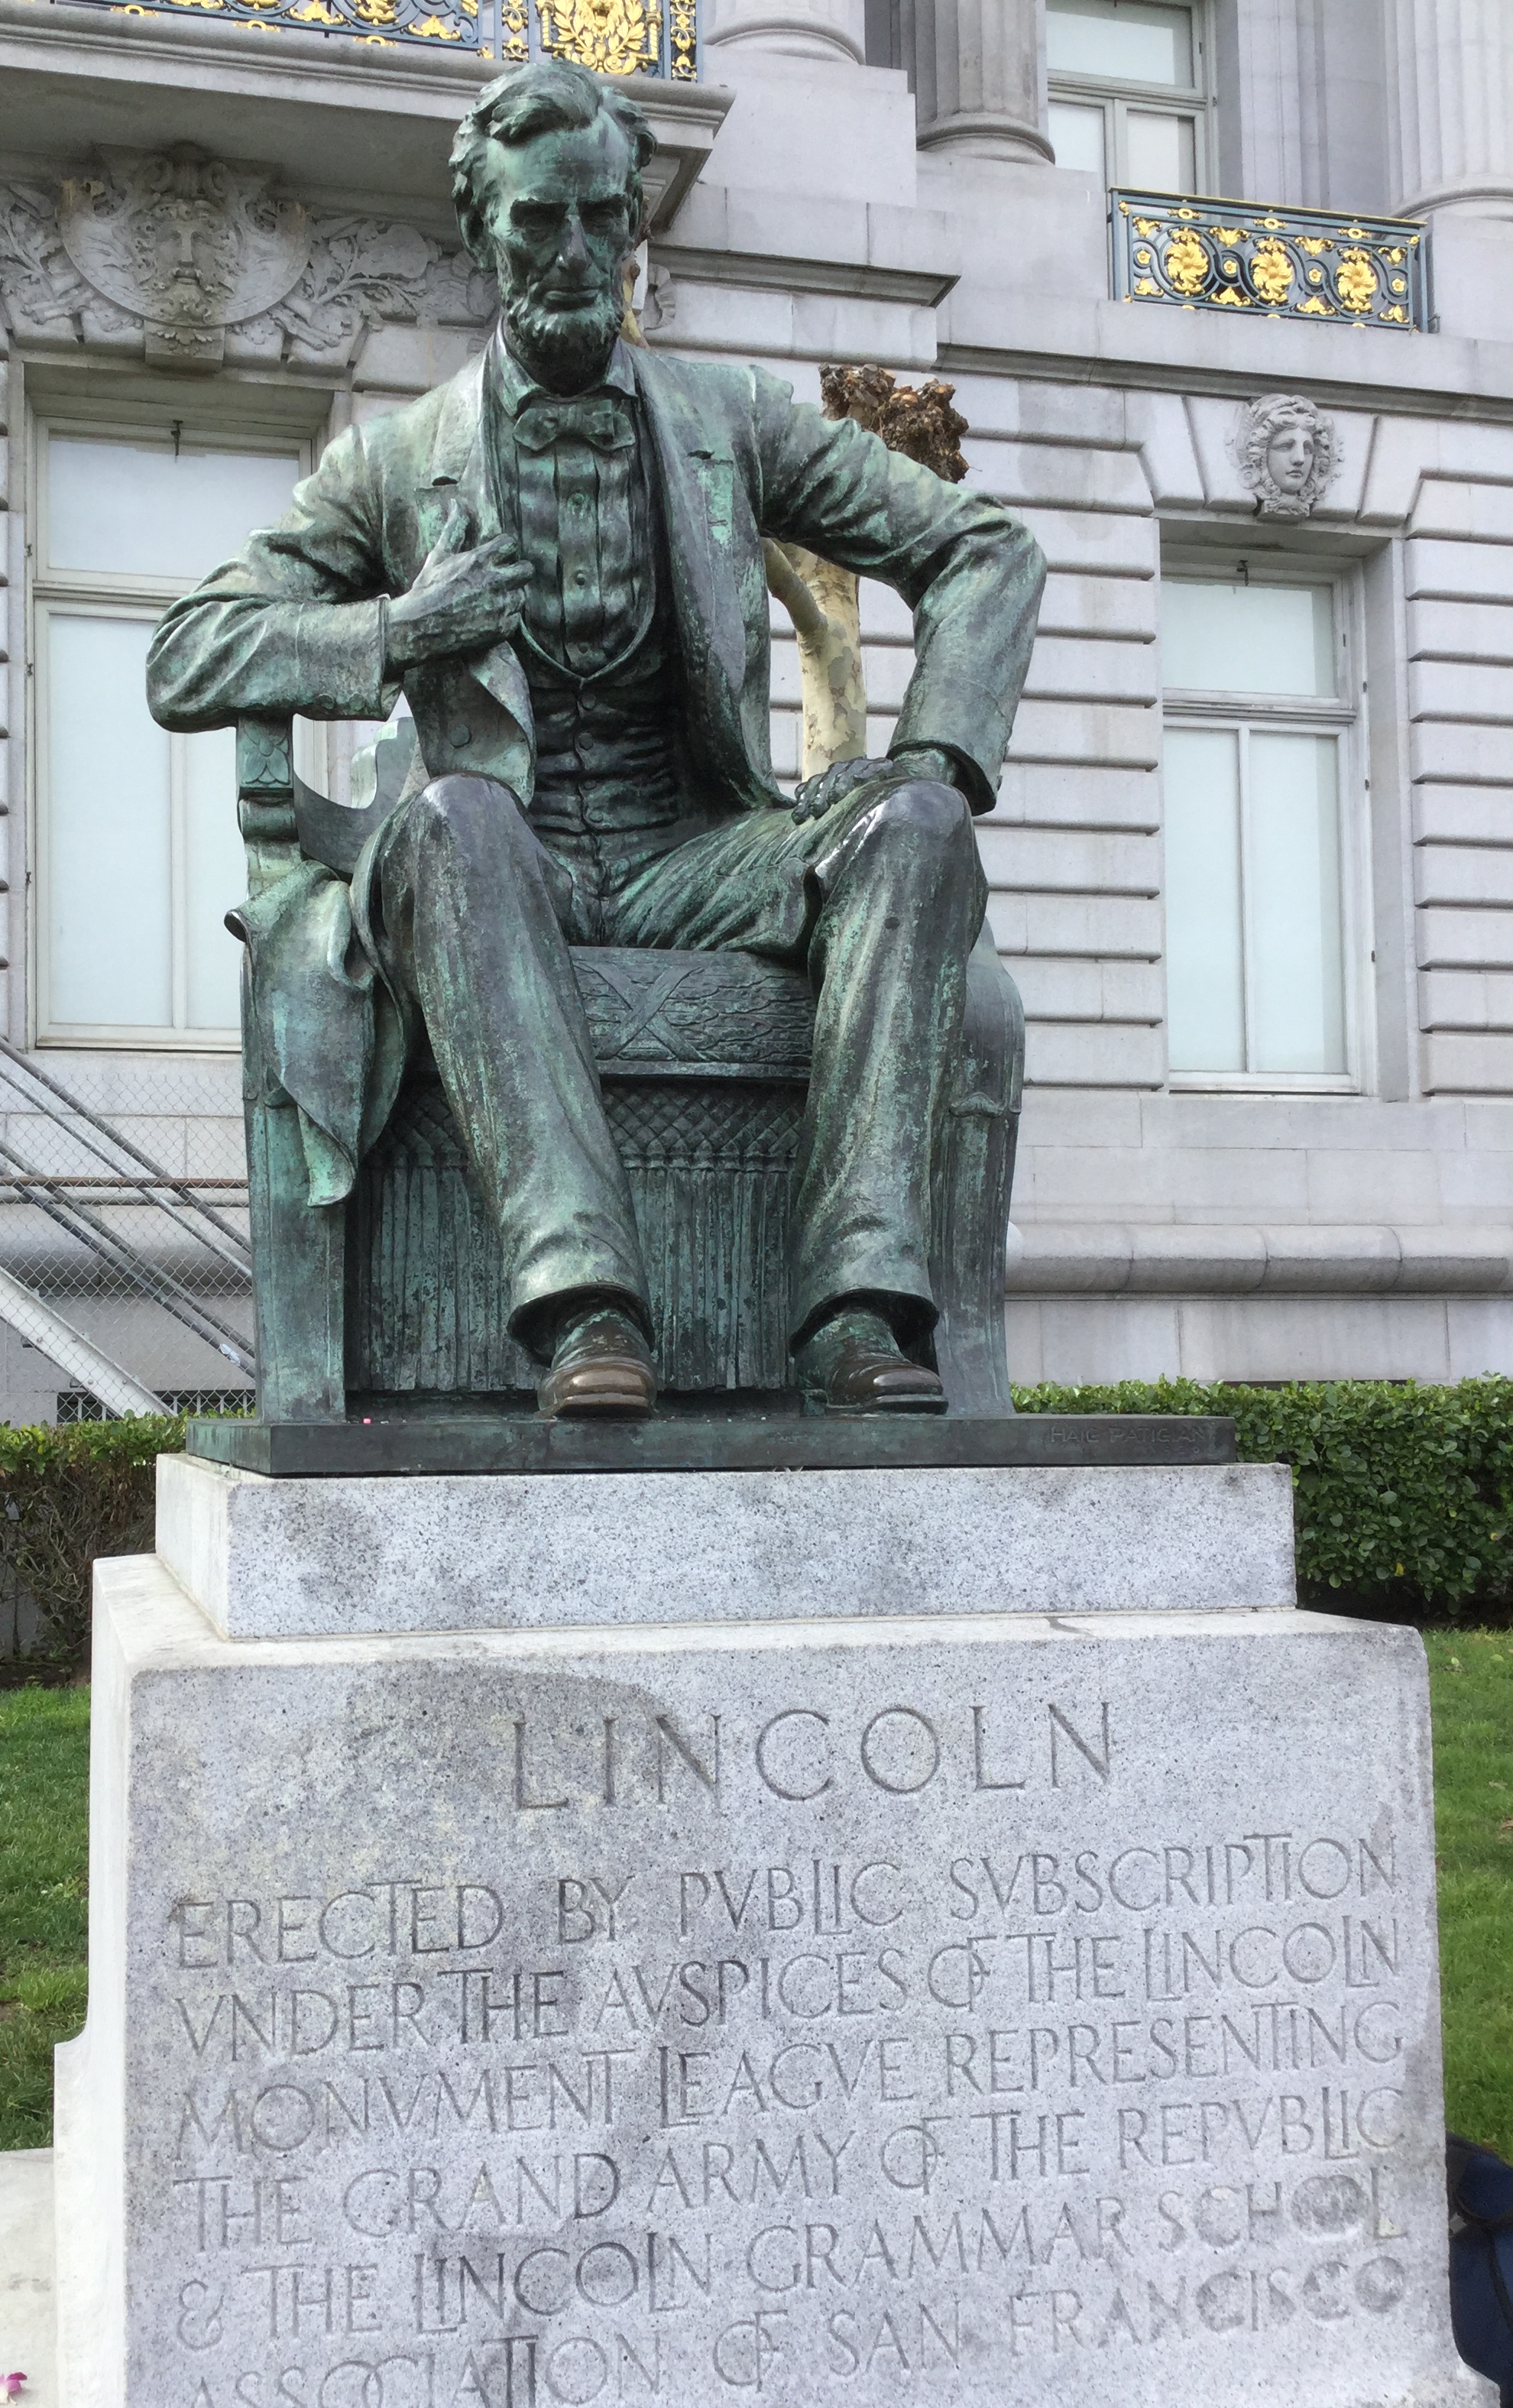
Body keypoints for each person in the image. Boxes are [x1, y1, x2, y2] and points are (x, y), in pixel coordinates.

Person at [149, 62, 1044, 1420]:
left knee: (916, 832)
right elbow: (187, 651)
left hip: (699, 852)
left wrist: (933, 758)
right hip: (507, 863)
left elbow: (984, 550)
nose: (571, 255)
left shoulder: (728, 425)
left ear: (633, 227)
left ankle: (856, 1309)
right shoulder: (396, 463)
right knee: (455, 820)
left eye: (598, 221)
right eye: (535, 222)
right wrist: (398, 626)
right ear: (483, 231)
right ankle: (584, 1303)